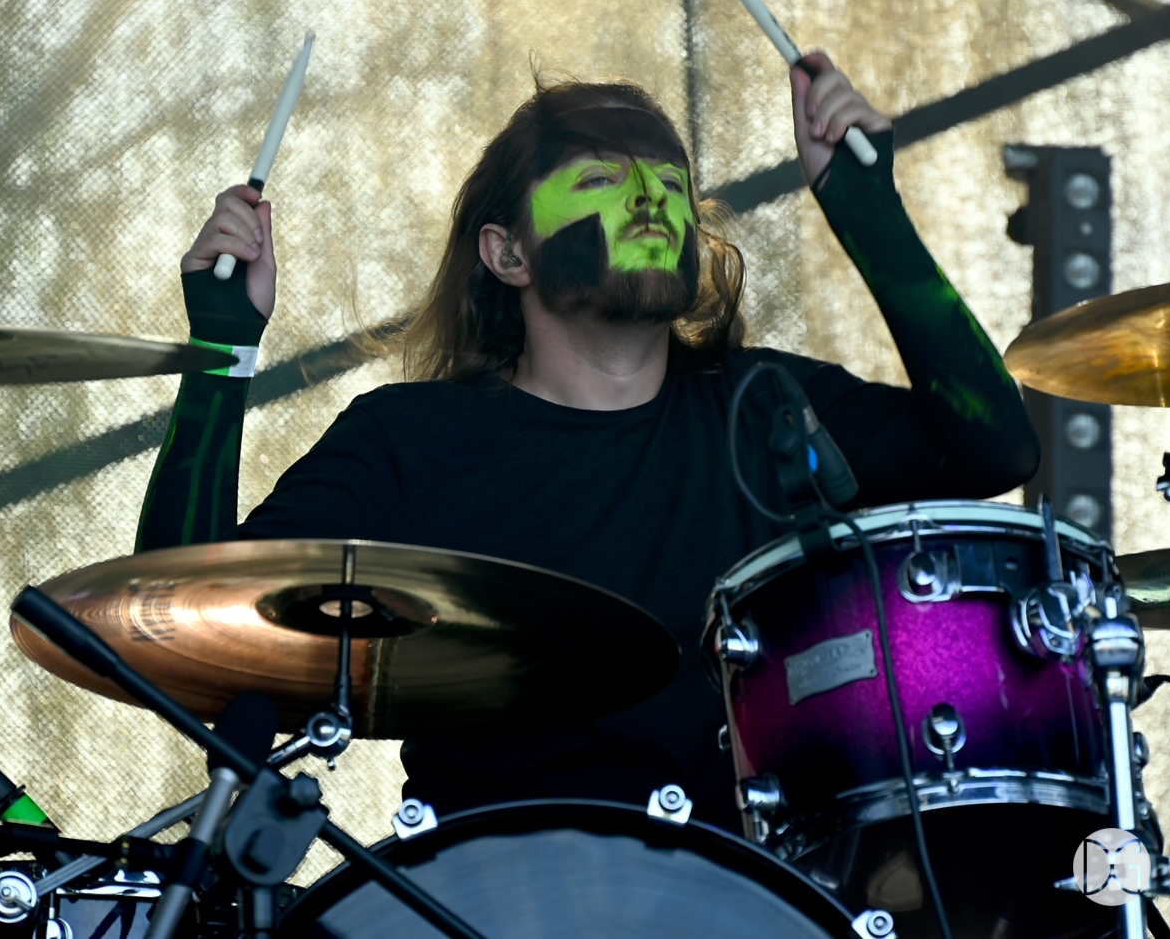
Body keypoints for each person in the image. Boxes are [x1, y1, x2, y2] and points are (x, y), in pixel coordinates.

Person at [135, 55, 1039, 829]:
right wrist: (221, 348)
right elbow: (187, 630)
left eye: (670, 185)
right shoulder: (413, 440)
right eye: (603, 182)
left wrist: (868, 212)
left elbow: (995, 450)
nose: (650, 201)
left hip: (738, 891)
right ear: (508, 255)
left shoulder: (765, 408)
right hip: (480, 898)